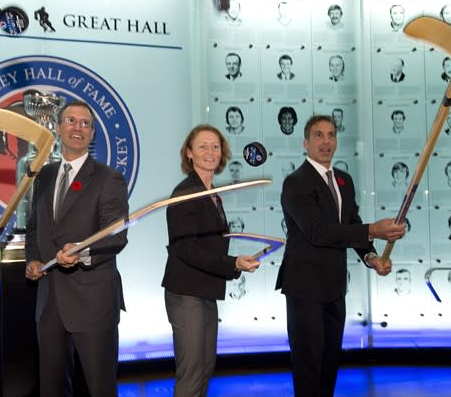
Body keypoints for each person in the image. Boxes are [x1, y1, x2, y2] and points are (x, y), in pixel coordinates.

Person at [276, 115, 405, 397]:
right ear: (305, 142)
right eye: (319, 135)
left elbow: (350, 224)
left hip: (334, 287)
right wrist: (372, 229)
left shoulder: (343, 181)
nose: (326, 141)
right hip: (305, 288)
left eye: (331, 135)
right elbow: (318, 232)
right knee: (309, 365)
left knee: (330, 363)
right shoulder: (295, 183)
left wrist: (371, 257)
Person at [25, 100, 130, 396]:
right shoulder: (43, 175)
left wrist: (81, 251)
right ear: (58, 128)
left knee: (100, 388)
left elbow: (116, 236)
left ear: (93, 133)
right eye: (71, 121)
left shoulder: (110, 179)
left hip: (93, 301)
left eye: (85, 123)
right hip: (49, 303)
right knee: (52, 388)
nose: (78, 128)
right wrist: (32, 259)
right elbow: (35, 227)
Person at [162, 124, 260, 396]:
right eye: (203, 146)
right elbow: (185, 249)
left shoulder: (210, 193)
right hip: (186, 294)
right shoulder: (186, 192)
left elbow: (208, 245)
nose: (210, 151)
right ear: (189, 153)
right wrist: (232, 264)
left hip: (205, 291)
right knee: (192, 375)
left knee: (204, 369)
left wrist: (235, 264)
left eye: (215, 146)